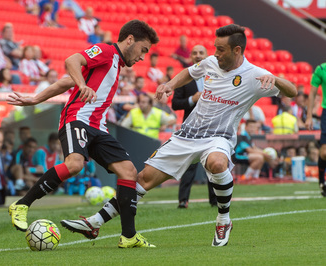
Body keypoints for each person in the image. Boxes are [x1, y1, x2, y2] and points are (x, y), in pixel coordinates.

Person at [59, 24, 297, 247]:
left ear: (237, 50)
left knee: (216, 163)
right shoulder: (211, 63)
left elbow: (293, 91)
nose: (216, 53)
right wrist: (170, 85)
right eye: (215, 48)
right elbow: (190, 72)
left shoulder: (255, 75)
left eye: (221, 49)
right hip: (187, 135)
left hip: (218, 137)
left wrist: (276, 79)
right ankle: (95, 223)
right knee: (143, 180)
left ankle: (223, 220)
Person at [7, 19, 159, 248]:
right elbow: (72, 61)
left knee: (128, 172)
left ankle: (129, 236)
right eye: (143, 50)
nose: (142, 57)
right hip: (76, 117)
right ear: (130, 40)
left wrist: (36, 98)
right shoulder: (107, 51)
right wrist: (82, 86)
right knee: (75, 163)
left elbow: (66, 81)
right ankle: (22, 204)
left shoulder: (115, 63)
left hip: (98, 127)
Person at [172, 44, 217, 208]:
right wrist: (192, 99)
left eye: (201, 53)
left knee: (213, 164)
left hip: (213, 127)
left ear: (207, 55)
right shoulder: (184, 77)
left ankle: (215, 200)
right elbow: (175, 104)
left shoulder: (217, 76)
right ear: (190, 56)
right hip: (191, 128)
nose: (198, 55)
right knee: (189, 165)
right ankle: (183, 201)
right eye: (195, 53)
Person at [306, 62, 326, 196]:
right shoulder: (321, 69)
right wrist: (308, 116)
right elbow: (312, 94)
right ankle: (321, 182)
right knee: (324, 153)